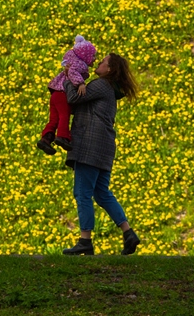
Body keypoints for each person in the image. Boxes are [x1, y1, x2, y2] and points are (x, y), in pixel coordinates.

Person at [61, 53, 141, 256]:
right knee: (102, 193)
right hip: (105, 147)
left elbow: (72, 98)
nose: (98, 63)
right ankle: (128, 232)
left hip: (90, 145)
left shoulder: (100, 85)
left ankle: (85, 240)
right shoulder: (109, 90)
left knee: (82, 192)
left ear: (110, 70)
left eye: (103, 62)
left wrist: (68, 74)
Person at [37, 35, 97, 155]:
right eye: (93, 56)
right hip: (62, 94)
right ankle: (63, 137)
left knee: (54, 119)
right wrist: (80, 84)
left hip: (55, 94)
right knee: (64, 115)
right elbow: (73, 71)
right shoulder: (80, 65)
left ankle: (46, 139)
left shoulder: (71, 62)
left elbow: (69, 70)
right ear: (85, 55)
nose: (95, 59)